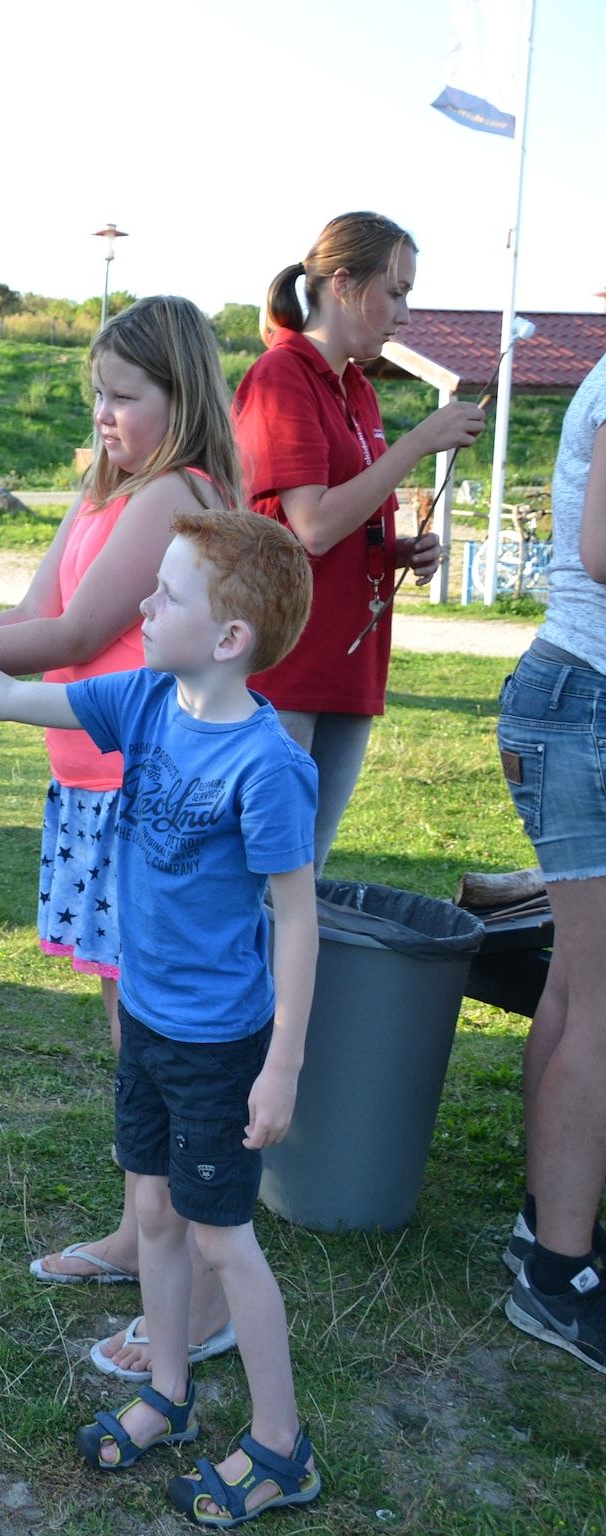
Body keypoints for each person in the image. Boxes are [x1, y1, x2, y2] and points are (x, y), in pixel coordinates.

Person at [0, 508, 323, 1525]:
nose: (140, 605)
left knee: (223, 1239)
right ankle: (170, 1395)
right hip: (145, 1023)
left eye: (166, 595)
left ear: (226, 638)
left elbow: (295, 920)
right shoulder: (146, 702)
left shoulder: (267, 766)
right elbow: (10, 695)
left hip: (217, 1044)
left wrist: (279, 1065)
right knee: (148, 1212)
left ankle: (280, 1446)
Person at [0, 297, 247, 1368]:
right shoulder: (104, 495)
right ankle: (140, 1233)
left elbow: (75, 636)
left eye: (125, 397)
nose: (105, 414)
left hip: (145, 794)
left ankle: (204, 1292)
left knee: (161, 1038)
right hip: (89, 791)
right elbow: (31, 612)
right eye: (96, 394)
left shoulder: (175, 494)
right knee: (128, 1023)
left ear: (180, 397)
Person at [233, 211, 485, 871]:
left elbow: (336, 520)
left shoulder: (360, 390)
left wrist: (397, 550)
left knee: (302, 876)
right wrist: (418, 443)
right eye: (395, 292)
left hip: (350, 664)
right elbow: (311, 526)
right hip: (286, 666)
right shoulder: (282, 377)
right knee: (261, 881)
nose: (404, 314)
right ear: (341, 283)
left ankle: (290, 982)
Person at [497, 349, 606, 1375]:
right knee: (598, 999)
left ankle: (547, 1230)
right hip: (585, 699)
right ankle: (555, 1270)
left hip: (571, 695)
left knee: (577, 986)